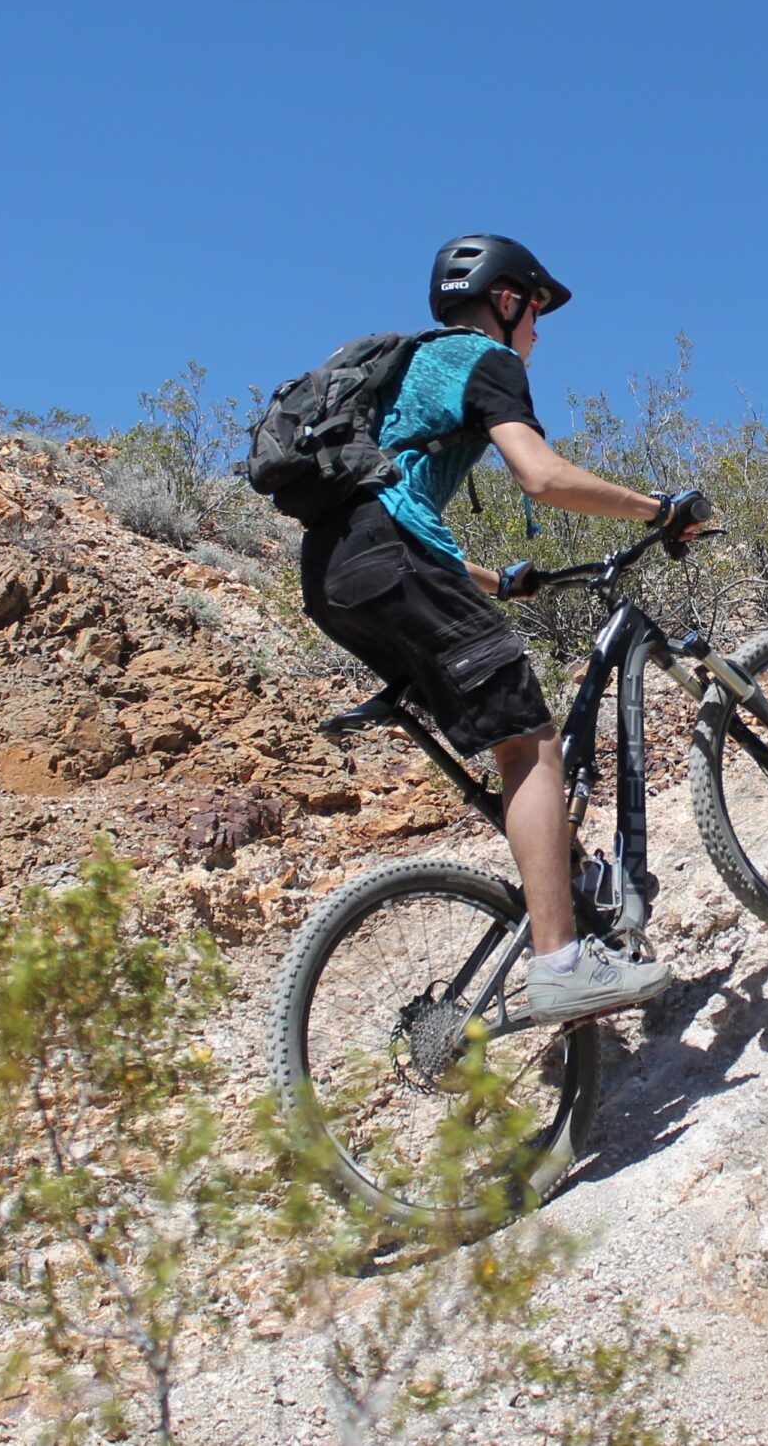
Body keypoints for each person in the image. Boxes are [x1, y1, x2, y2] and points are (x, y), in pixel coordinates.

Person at [298, 234, 703, 1025]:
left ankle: (566, 883)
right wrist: (661, 509)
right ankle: (560, 964)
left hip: (335, 574)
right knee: (532, 744)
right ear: (506, 300)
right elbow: (542, 476)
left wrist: (497, 580)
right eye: (536, 310)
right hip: (393, 559)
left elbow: (391, 514)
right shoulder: (484, 360)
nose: (539, 332)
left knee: (505, 736)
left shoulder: (411, 371)